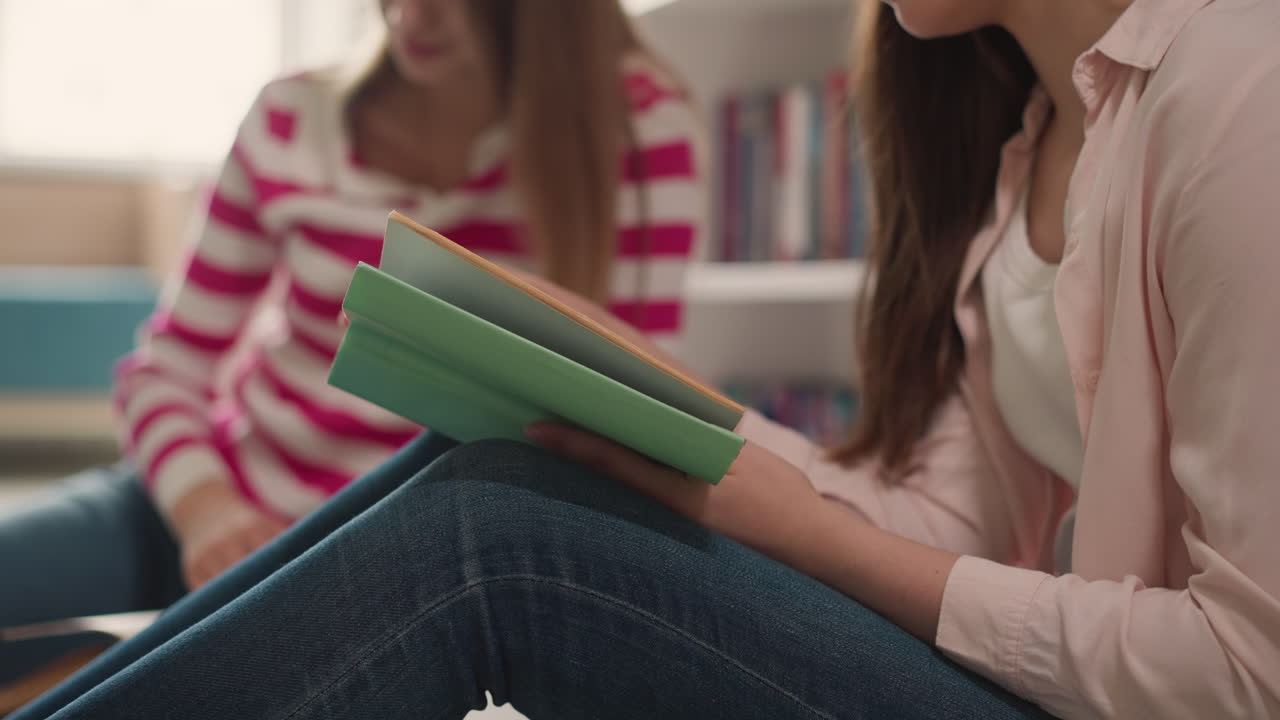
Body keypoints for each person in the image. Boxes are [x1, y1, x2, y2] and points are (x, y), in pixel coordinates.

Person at [12, 0, 1280, 717]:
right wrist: (666, 397)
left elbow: (1247, 673)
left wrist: (805, 526)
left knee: (494, 533)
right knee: (483, 477)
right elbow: (946, 527)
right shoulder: (1019, 142)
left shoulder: (1235, 91)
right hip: (206, 483)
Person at [0, 0, 703, 679]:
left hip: (386, 585)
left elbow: (628, 438)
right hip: (204, 507)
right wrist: (207, 510)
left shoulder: (639, 136)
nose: (411, 14)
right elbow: (166, 368)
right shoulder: (289, 118)